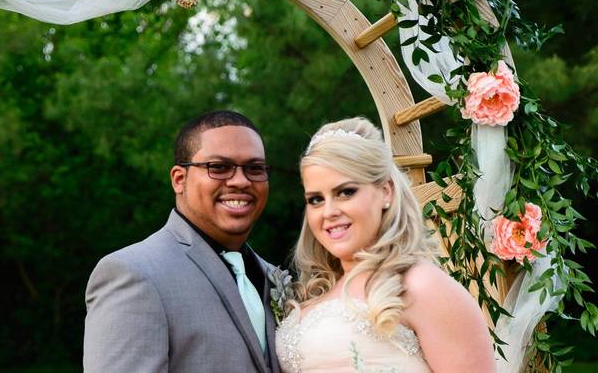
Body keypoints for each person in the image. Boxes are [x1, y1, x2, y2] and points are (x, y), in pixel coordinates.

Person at [276, 117, 496, 373]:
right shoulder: (314, 294)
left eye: (345, 192)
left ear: (386, 192)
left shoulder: (421, 285)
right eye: (315, 199)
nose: (329, 211)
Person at [83, 110, 282, 373]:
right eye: (219, 167)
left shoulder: (275, 276)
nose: (241, 181)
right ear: (179, 179)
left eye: (254, 169)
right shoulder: (134, 273)